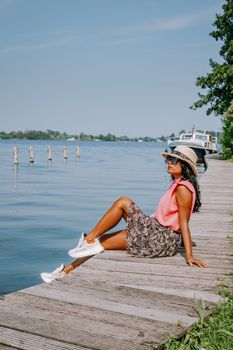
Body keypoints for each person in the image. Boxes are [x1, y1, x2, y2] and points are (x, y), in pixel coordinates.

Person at [41, 145, 208, 283]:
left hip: (159, 239)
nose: (168, 163)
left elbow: (183, 223)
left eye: (172, 160)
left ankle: (81, 249)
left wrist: (189, 256)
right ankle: (69, 267)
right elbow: (174, 218)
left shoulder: (183, 189)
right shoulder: (177, 184)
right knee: (101, 238)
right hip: (154, 230)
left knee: (116, 213)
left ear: (184, 165)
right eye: (168, 159)